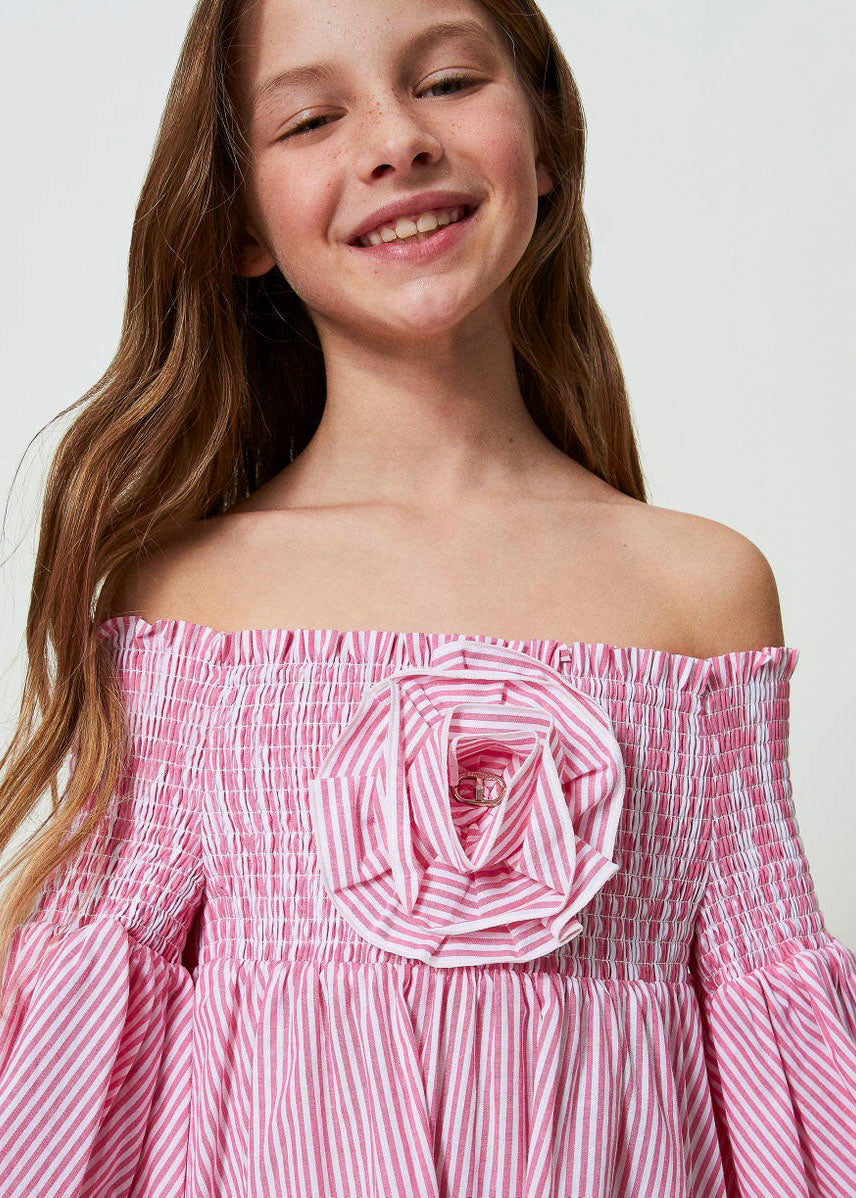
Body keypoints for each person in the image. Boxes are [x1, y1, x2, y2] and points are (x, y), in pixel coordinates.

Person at [1, 0, 854, 1194]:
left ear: (545, 145)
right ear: (241, 221)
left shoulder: (700, 597)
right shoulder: (189, 610)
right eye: (311, 118)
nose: (396, 141)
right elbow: (95, 1079)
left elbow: (775, 1075)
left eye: (447, 82)